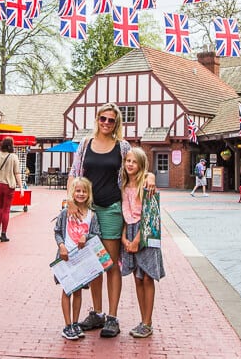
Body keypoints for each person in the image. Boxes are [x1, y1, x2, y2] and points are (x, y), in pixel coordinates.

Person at [68, 103, 156, 338]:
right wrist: (70, 201)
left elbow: (138, 165)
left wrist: (150, 175)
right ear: (97, 119)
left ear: (117, 123)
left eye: (111, 120)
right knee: (92, 264)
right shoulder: (86, 144)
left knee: (110, 263)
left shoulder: (122, 146)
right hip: (89, 211)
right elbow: (74, 174)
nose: (106, 123)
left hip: (111, 210)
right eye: (103, 118)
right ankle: (96, 312)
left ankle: (112, 317)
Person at [119, 147, 165, 338]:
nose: (130, 164)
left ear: (141, 165)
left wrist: (137, 238)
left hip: (145, 231)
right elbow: (124, 212)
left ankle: (148, 321)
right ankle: (142, 320)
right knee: (137, 278)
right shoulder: (122, 184)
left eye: (134, 162)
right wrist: (124, 237)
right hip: (128, 230)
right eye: (127, 161)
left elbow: (150, 213)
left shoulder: (146, 185)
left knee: (147, 277)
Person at [53, 177, 100, 341]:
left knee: (78, 291)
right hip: (66, 257)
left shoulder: (92, 215)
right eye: (78, 191)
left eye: (84, 191)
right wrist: (61, 246)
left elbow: (96, 234)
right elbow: (57, 231)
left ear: (89, 194)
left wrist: (85, 237)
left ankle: (75, 323)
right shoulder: (65, 213)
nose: (81, 194)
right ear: (72, 192)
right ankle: (67, 325)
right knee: (67, 291)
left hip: (81, 259)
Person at [0, 136, 23, 242]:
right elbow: (17, 173)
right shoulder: (13, 157)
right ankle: (3, 234)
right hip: (9, 186)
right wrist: (21, 187)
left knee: (0, 207)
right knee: (6, 210)